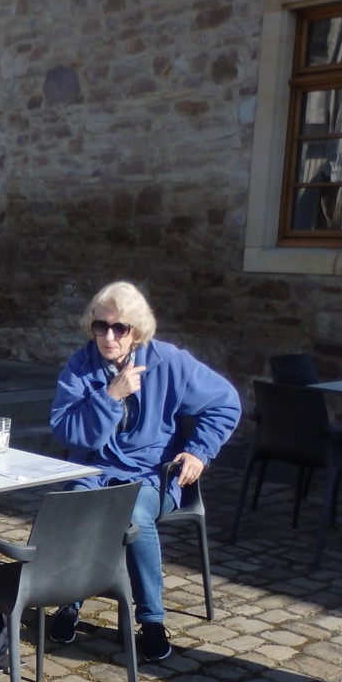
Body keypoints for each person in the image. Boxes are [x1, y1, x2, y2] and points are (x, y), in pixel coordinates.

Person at [48, 280, 240, 661]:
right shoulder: (81, 366)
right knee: (75, 503)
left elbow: (226, 402)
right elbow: (66, 430)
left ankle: (152, 620)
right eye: (100, 326)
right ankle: (69, 602)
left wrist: (198, 452)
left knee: (133, 512)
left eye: (119, 328)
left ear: (137, 331)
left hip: (152, 475)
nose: (108, 337)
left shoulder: (169, 363)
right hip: (96, 470)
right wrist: (111, 396)